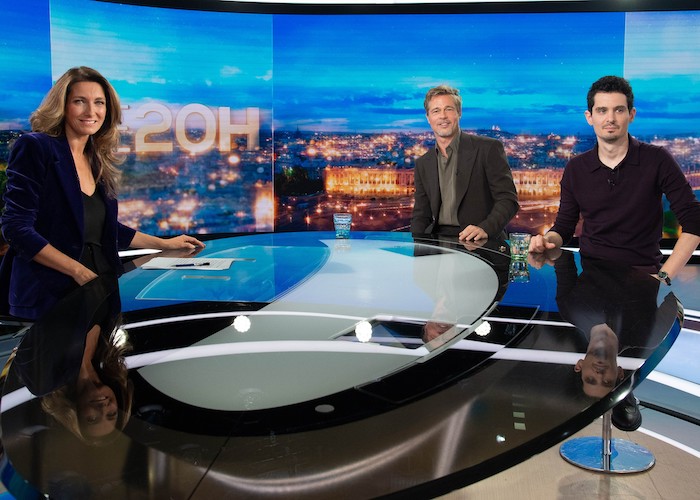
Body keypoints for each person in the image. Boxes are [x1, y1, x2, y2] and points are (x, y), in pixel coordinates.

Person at [0, 66, 205, 322]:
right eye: (79, 101)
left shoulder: (96, 157)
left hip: (101, 286)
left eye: (99, 102)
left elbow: (105, 229)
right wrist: (78, 272)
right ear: (62, 106)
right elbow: (16, 228)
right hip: (51, 295)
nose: (91, 111)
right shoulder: (36, 146)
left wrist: (164, 243)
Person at [529, 75, 700, 283]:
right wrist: (546, 240)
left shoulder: (657, 159)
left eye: (618, 110)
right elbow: (564, 228)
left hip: (643, 277)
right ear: (589, 117)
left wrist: (663, 277)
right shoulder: (576, 168)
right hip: (590, 279)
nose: (610, 118)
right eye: (602, 110)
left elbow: (694, 221)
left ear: (631, 115)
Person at [411, 85, 519, 241]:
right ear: (428, 118)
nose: (443, 116)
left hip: (481, 241)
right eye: (436, 111)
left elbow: (508, 200)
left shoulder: (488, 149)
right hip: (438, 241)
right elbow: (421, 215)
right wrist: (416, 247)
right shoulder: (423, 163)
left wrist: (485, 228)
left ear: (459, 113)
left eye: (448, 109)